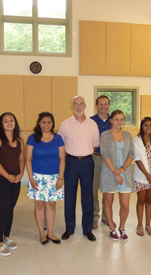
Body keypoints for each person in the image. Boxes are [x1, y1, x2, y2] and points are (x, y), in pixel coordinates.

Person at [58, 96, 100, 242]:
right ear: (72, 106)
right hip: (70, 162)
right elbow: (60, 147)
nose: (78, 106)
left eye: (81, 103)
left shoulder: (92, 124)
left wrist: (84, 152)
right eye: (75, 104)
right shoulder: (65, 125)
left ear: (85, 105)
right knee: (69, 197)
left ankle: (87, 229)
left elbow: (95, 144)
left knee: (88, 196)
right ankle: (69, 228)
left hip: (87, 162)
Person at [26, 112, 65, 245]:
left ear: (52, 124)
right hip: (37, 177)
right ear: (39, 123)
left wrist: (60, 178)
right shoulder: (33, 138)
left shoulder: (58, 138)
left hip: (54, 177)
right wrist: (31, 178)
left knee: (52, 205)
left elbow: (62, 159)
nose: (46, 125)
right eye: (43, 122)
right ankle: (42, 234)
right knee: (39, 204)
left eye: (49, 122)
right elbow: (28, 159)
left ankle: (50, 232)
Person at [0, 112, 25, 256]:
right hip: (1, 180)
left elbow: (22, 158)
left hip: (15, 180)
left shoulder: (20, 140)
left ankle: (6, 237)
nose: (9, 123)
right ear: (1, 124)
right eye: (6, 121)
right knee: (3, 210)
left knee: (10, 210)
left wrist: (21, 174)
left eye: (12, 120)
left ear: (15, 123)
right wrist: (7, 176)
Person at [100, 110, 134, 241]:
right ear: (111, 120)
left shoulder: (127, 135)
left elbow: (131, 153)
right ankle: (112, 228)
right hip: (109, 172)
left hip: (125, 172)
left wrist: (123, 168)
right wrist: (116, 172)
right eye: (116, 119)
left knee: (125, 205)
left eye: (121, 119)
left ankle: (122, 227)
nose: (119, 122)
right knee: (109, 201)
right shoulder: (105, 135)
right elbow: (105, 154)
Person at [90, 95, 112, 229]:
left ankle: (106, 217)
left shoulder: (114, 120)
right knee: (93, 189)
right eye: (101, 104)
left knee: (108, 189)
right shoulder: (90, 121)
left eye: (106, 104)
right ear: (96, 106)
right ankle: (94, 217)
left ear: (109, 105)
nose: (103, 106)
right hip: (95, 158)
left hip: (110, 159)